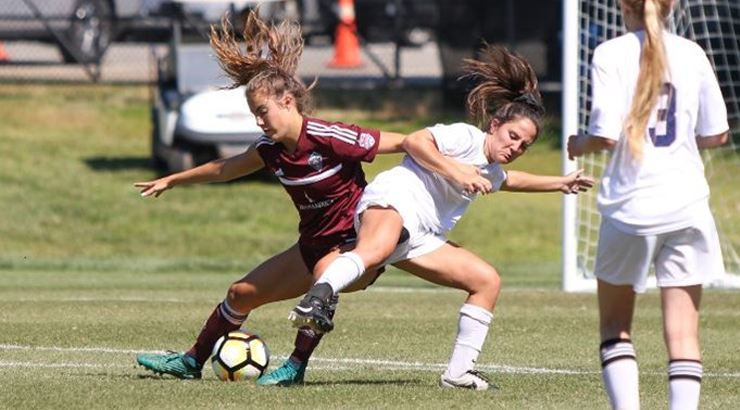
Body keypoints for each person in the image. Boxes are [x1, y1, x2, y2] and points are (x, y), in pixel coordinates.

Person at [289, 45, 595, 390]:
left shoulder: (492, 170)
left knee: (486, 281)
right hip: (392, 201)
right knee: (379, 247)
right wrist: (456, 172)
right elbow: (416, 141)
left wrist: (561, 182)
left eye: (523, 146)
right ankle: (318, 296)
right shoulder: (466, 137)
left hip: (420, 236)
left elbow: (512, 180)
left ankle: (458, 373)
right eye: (513, 137)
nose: (515, 148)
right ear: (494, 125)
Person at [134, 11, 407, 386]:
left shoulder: (329, 136)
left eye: (262, 112)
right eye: (254, 114)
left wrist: (453, 165)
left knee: (324, 278)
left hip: (354, 248)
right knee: (239, 294)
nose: (259, 122)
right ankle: (191, 361)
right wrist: (174, 179)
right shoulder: (270, 148)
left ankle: (295, 366)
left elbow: (405, 141)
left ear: (288, 101)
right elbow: (223, 168)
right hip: (311, 247)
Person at [567, 0, 729, 408]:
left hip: (631, 208)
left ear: (624, 6)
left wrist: (576, 144)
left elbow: (604, 136)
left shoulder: (611, 53)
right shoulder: (692, 54)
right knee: (683, 334)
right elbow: (717, 135)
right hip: (687, 206)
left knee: (616, 326)